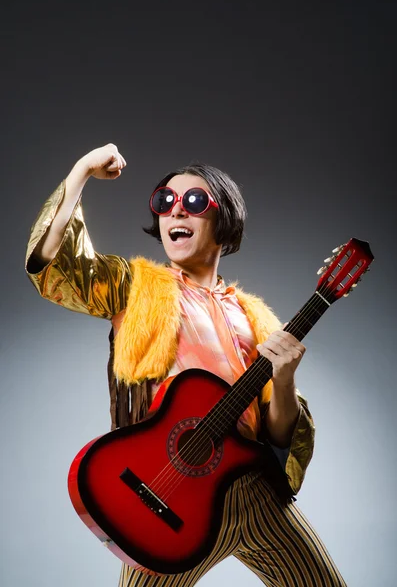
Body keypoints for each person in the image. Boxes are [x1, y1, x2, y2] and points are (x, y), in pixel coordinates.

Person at [25, 143, 346, 587]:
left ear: (224, 221)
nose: (176, 211)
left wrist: (285, 379)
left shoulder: (257, 318)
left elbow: (276, 436)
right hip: (172, 496)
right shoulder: (136, 287)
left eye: (194, 202)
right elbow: (54, 262)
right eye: (165, 201)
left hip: (254, 493)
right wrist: (81, 171)